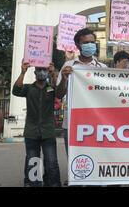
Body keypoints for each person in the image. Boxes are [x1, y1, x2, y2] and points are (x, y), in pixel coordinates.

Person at [56, 28, 107, 156]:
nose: (90, 45)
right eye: (85, 43)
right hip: (73, 121)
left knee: (97, 156)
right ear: (78, 45)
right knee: (74, 157)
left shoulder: (103, 68)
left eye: (92, 42)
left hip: (97, 122)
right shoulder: (68, 66)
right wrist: (64, 78)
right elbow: (59, 94)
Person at [12, 61, 61, 187]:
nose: (42, 72)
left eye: (44, 70)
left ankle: (53, 184)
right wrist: (23, 72)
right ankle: (34, 184)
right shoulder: (28, 88)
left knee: (51, 162)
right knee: (33, 161)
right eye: (39, 70)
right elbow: (16, 90)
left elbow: (60, 92)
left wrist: (53, 73)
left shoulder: (51, 88)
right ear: (35, 73)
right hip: (31, 132)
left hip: (48, 131)